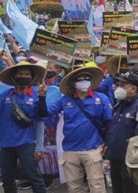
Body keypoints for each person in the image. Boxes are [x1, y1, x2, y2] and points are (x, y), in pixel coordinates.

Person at [37, 63, 113, 193]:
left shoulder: (101, 98)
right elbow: (44, 113)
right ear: (73, 83)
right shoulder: (65, 100)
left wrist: (107, 145)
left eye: (86, 78)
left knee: (97, 187)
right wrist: (42, 96)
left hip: (93, 149)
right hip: (70, 150)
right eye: (80, 79)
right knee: (74, 188)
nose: (83, 82)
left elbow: (109, 123)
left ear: (91, 81)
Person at [0, 60, 47, 193]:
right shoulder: (5, 95)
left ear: (32, 78)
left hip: (26, 143)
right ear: (14, 77)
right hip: (5, 144)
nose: (23, 76)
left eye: (27, 74)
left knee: (34, 177)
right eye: (20, 74)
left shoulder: (38, 96)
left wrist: (39, 146)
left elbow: (40, 120)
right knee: (7, 179)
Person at [104, 71, 138, 193]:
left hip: (131, 160)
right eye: (118, 84)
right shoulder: (119, 105)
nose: (118, 88)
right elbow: (113, 129)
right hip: (115, 158)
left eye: (123, 85)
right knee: (117, 189)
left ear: (133, 88)